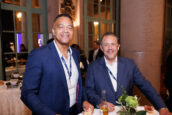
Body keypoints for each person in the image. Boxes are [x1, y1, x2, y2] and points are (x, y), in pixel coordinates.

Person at [21, 14, 93, 115]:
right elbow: (27, 93)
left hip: (74, 111)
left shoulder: (75, 54)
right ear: (53, 31)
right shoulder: (39, 55)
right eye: (61, 27)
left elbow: (78, 84)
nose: (65, 30)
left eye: (69, 27)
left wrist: (84, 101)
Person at [85, 32, 171, 115]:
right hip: (103, 112)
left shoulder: (129, 65)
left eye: (113, 44)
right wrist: (100, 102)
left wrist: (161, 107)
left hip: (125, 112)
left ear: (118, 46)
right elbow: (89, 90)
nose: (110, 47)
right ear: (101, 47)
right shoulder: (93, 67)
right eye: (106, 45)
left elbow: (145, 86)